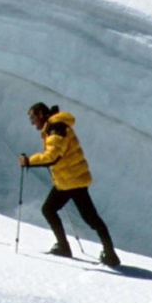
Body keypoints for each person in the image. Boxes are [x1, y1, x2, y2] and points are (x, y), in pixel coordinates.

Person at [19, 101, 121, 267]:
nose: (32, 123)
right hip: (68, 180)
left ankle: (97, 253)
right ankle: (105, 253)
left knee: (86, 217)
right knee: (65, 213)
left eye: (32, 119)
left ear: (40, 115)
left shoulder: (56, 128)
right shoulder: (54, 127)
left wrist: (29, 161)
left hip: (72, 181)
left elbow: (53, 156)